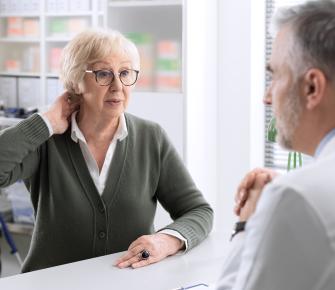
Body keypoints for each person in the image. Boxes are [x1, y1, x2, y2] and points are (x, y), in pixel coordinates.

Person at [0, 29, 213, 273]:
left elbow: (199, 211)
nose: (117, 86)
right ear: (75, 81)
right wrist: (45, 122)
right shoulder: (47, 140)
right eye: (103, 74)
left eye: (125, 73)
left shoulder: (151, 137)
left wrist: (167, 240)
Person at [216, 1, 335, 289]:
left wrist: (248, 225)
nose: (267, 97)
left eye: (275, 76)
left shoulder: (294, 197)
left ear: (312, 88)